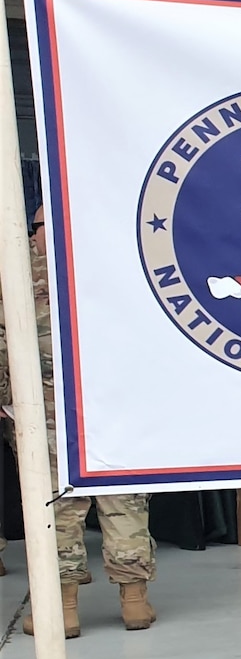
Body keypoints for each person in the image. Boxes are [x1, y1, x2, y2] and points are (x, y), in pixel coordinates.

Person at [0, 214, 157, 636]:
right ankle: (133, 602)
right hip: (111, 413)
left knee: (56, 511)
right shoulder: (111, 271)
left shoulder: (14, 280)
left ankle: (64, 609)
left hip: (48, 419)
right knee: (122, 504)